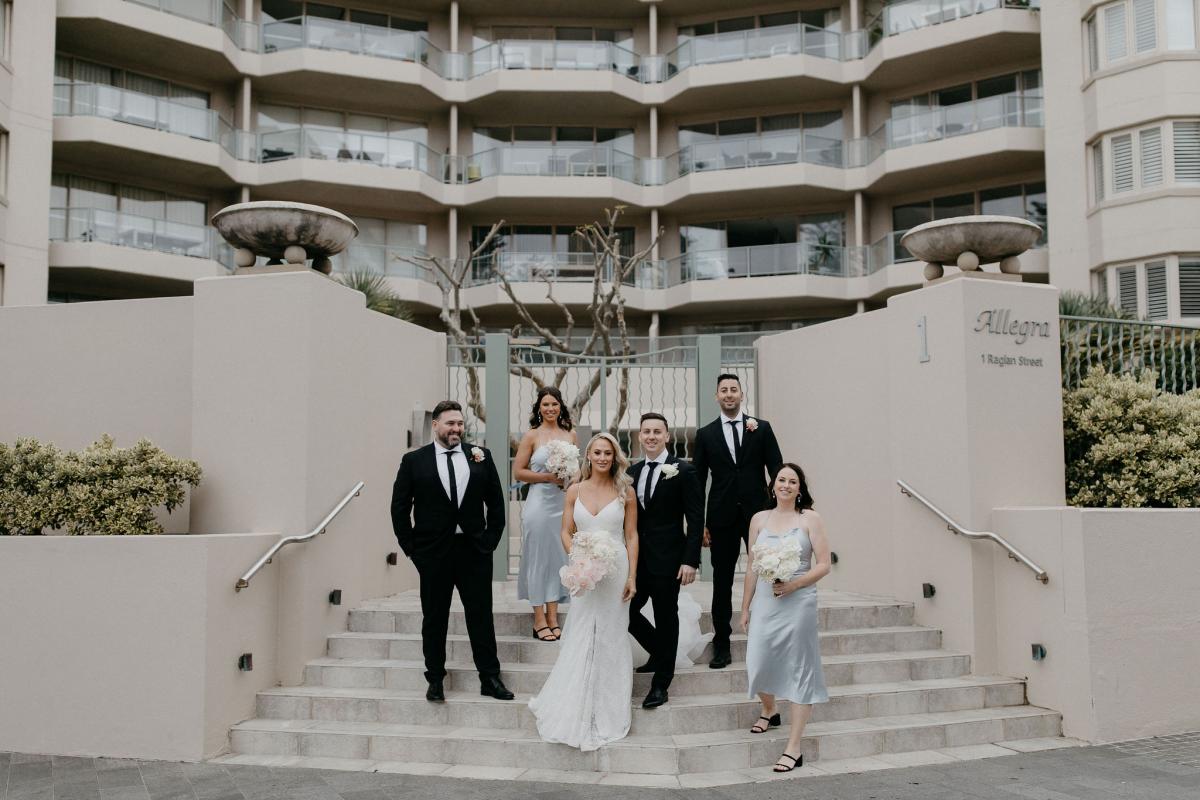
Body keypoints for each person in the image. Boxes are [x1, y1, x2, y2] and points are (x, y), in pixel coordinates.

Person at [390, 400, 514, 703]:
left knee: (480, 616)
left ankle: (489, 678)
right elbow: (399, 508)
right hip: (433, 554)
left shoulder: (481, 457)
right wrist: (412, 550)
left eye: (460, 423)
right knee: (434, 618)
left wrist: (489, 542)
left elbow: (497, 505)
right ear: (436, 425)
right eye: (450, 423)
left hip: (473, 551)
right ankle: (435, 678)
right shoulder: (414, 461)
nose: (456, 429)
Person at [529, 433, 638, 751]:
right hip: (584, 571)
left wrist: (632, 575)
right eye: (597, 452)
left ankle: (609, 707)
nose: (603, 458)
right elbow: (566, 530)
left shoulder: (625, 491)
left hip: (615, 569)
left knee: (611, 634)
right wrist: (578, 557)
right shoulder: (574, 489)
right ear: (588, 455)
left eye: (608, 453)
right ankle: (574, 700)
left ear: (615, 457)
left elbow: (631, 536)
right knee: (579, 632)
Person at [741, 463, 831, 773]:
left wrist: (794, 584)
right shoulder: (759, 519)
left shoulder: (810, 519)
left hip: (799, 600)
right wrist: (745, 607)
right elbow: (752, 565)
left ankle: (794, 747)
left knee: (800, 669)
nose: (786, 485)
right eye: (781, 479)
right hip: (767, 601)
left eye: (793, 481)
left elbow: (823, 564)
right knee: (757, 661)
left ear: (800, 488)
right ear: (773, 484)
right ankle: (769, 708)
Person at [692, 373, 783, 669]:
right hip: (721, 516)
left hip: (759, 515)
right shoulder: (705, 435)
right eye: (724, 390)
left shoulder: (762, 428)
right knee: (722, 580)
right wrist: (701, 523)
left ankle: (773, 636)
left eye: (734, 389)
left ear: (742, 395)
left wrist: (778, 514)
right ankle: (722, 643)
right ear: (716, 397)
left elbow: (778, 472)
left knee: (770, 574)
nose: (729, 394)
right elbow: (698, 481)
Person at [626, 412, 704, 709]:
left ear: (667, 436)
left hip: (670, 559)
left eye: (657, 432)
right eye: (646, 432)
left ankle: (661, 683)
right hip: (637, 560)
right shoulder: (631, 472)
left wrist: (690, 561)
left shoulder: (683, 471)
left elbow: (696, 520)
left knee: (665, 616)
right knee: (627, 612)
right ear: (640, 435)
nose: (651, 437)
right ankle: (661, 652)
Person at [514, 387, 576, 641]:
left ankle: (553, 615)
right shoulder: (531, 435)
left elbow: (576, 471)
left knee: (559, 559)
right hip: (539, 503)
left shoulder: (570, 435)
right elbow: (518, 472)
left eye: (554, 404)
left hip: (561, 503)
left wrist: (570, 479)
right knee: (539, 559)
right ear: (539, 408)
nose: (550, 409)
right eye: (545, 404)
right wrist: (547, 477)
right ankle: (539, 618)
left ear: (561, 406)